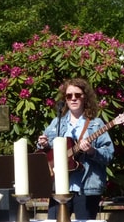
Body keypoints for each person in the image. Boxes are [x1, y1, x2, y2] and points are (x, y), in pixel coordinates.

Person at [41, 78, 114, 219]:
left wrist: (92, 151)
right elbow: (46, 149)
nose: (73, 99)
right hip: (59, 188)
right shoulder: (57, 122)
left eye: (77, 95)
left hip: (86, 189)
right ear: (65, 99)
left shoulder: (96, 124)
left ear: (84, 97)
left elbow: (109, 154)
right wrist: (43, 143)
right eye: (69, 96)